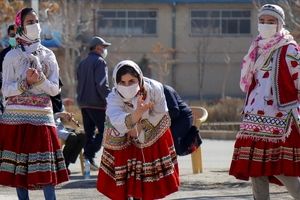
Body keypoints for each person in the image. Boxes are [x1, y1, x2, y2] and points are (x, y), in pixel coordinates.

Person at [229, 4, 300, 200]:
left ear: (280, 24)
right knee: (256, 169)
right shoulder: (256, 47)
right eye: (262, 21)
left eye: (271, 21)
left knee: (281, 169)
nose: (266, 25)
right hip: (253, 116)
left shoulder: (289, 48)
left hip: (280, 117)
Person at [0, 8, 69, 200]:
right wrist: (25, 84)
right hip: (17, 118)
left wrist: (40, 82)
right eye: (29, 22)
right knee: (19, 171)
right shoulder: (11, 56)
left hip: (42, 117)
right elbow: (6, 90)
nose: (35, 25)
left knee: (46, 170)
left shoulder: (48, 55)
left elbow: (55, 90)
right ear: (20, 26)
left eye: (36, 21)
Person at [97, 60, 179, 200]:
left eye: (131, 81)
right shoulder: (114, 97)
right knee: (127, 175)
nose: (127, 86)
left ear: (139, 79)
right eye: (122, 82)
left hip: (151, 132)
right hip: (124, 135)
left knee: (148, 176)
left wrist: (140, 126)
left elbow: (160, 113)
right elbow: (117, 120)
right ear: (116, 82)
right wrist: (136, 116)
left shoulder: (155, 89)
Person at [76, 36, 111, 170]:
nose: (104, 50)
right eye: (104, 47)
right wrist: (109, 99)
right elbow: (102, 84)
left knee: (89, 132)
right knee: (105, 130)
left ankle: (88, 161)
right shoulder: (100, 62)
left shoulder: (82, 63)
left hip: (83, 102)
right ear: (97, 47)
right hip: (97, 103)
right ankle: (89, 154)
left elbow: (79, 83)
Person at [51, 82, 86, 175]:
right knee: (72, 137)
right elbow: (46, 116)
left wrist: (67, 116)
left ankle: (66, 164)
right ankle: (62, 166)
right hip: (50, 127)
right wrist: (60, 114)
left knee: (83, 136)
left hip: (60, 127)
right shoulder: (45, 98)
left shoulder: (57, 99)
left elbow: (62, 112)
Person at [163, 84, 202, 156]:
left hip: (183, 117)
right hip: (172, 119)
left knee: (171, 136)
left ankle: (191, 144)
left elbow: (175, 110)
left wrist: (162, 120)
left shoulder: (165, 90)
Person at [0, 24, 16, 113]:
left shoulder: (27, 53)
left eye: (16, 35)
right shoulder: (4, 54)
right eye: (12, 35)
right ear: (9, 36)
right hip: (7, 93)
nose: (14, 38)